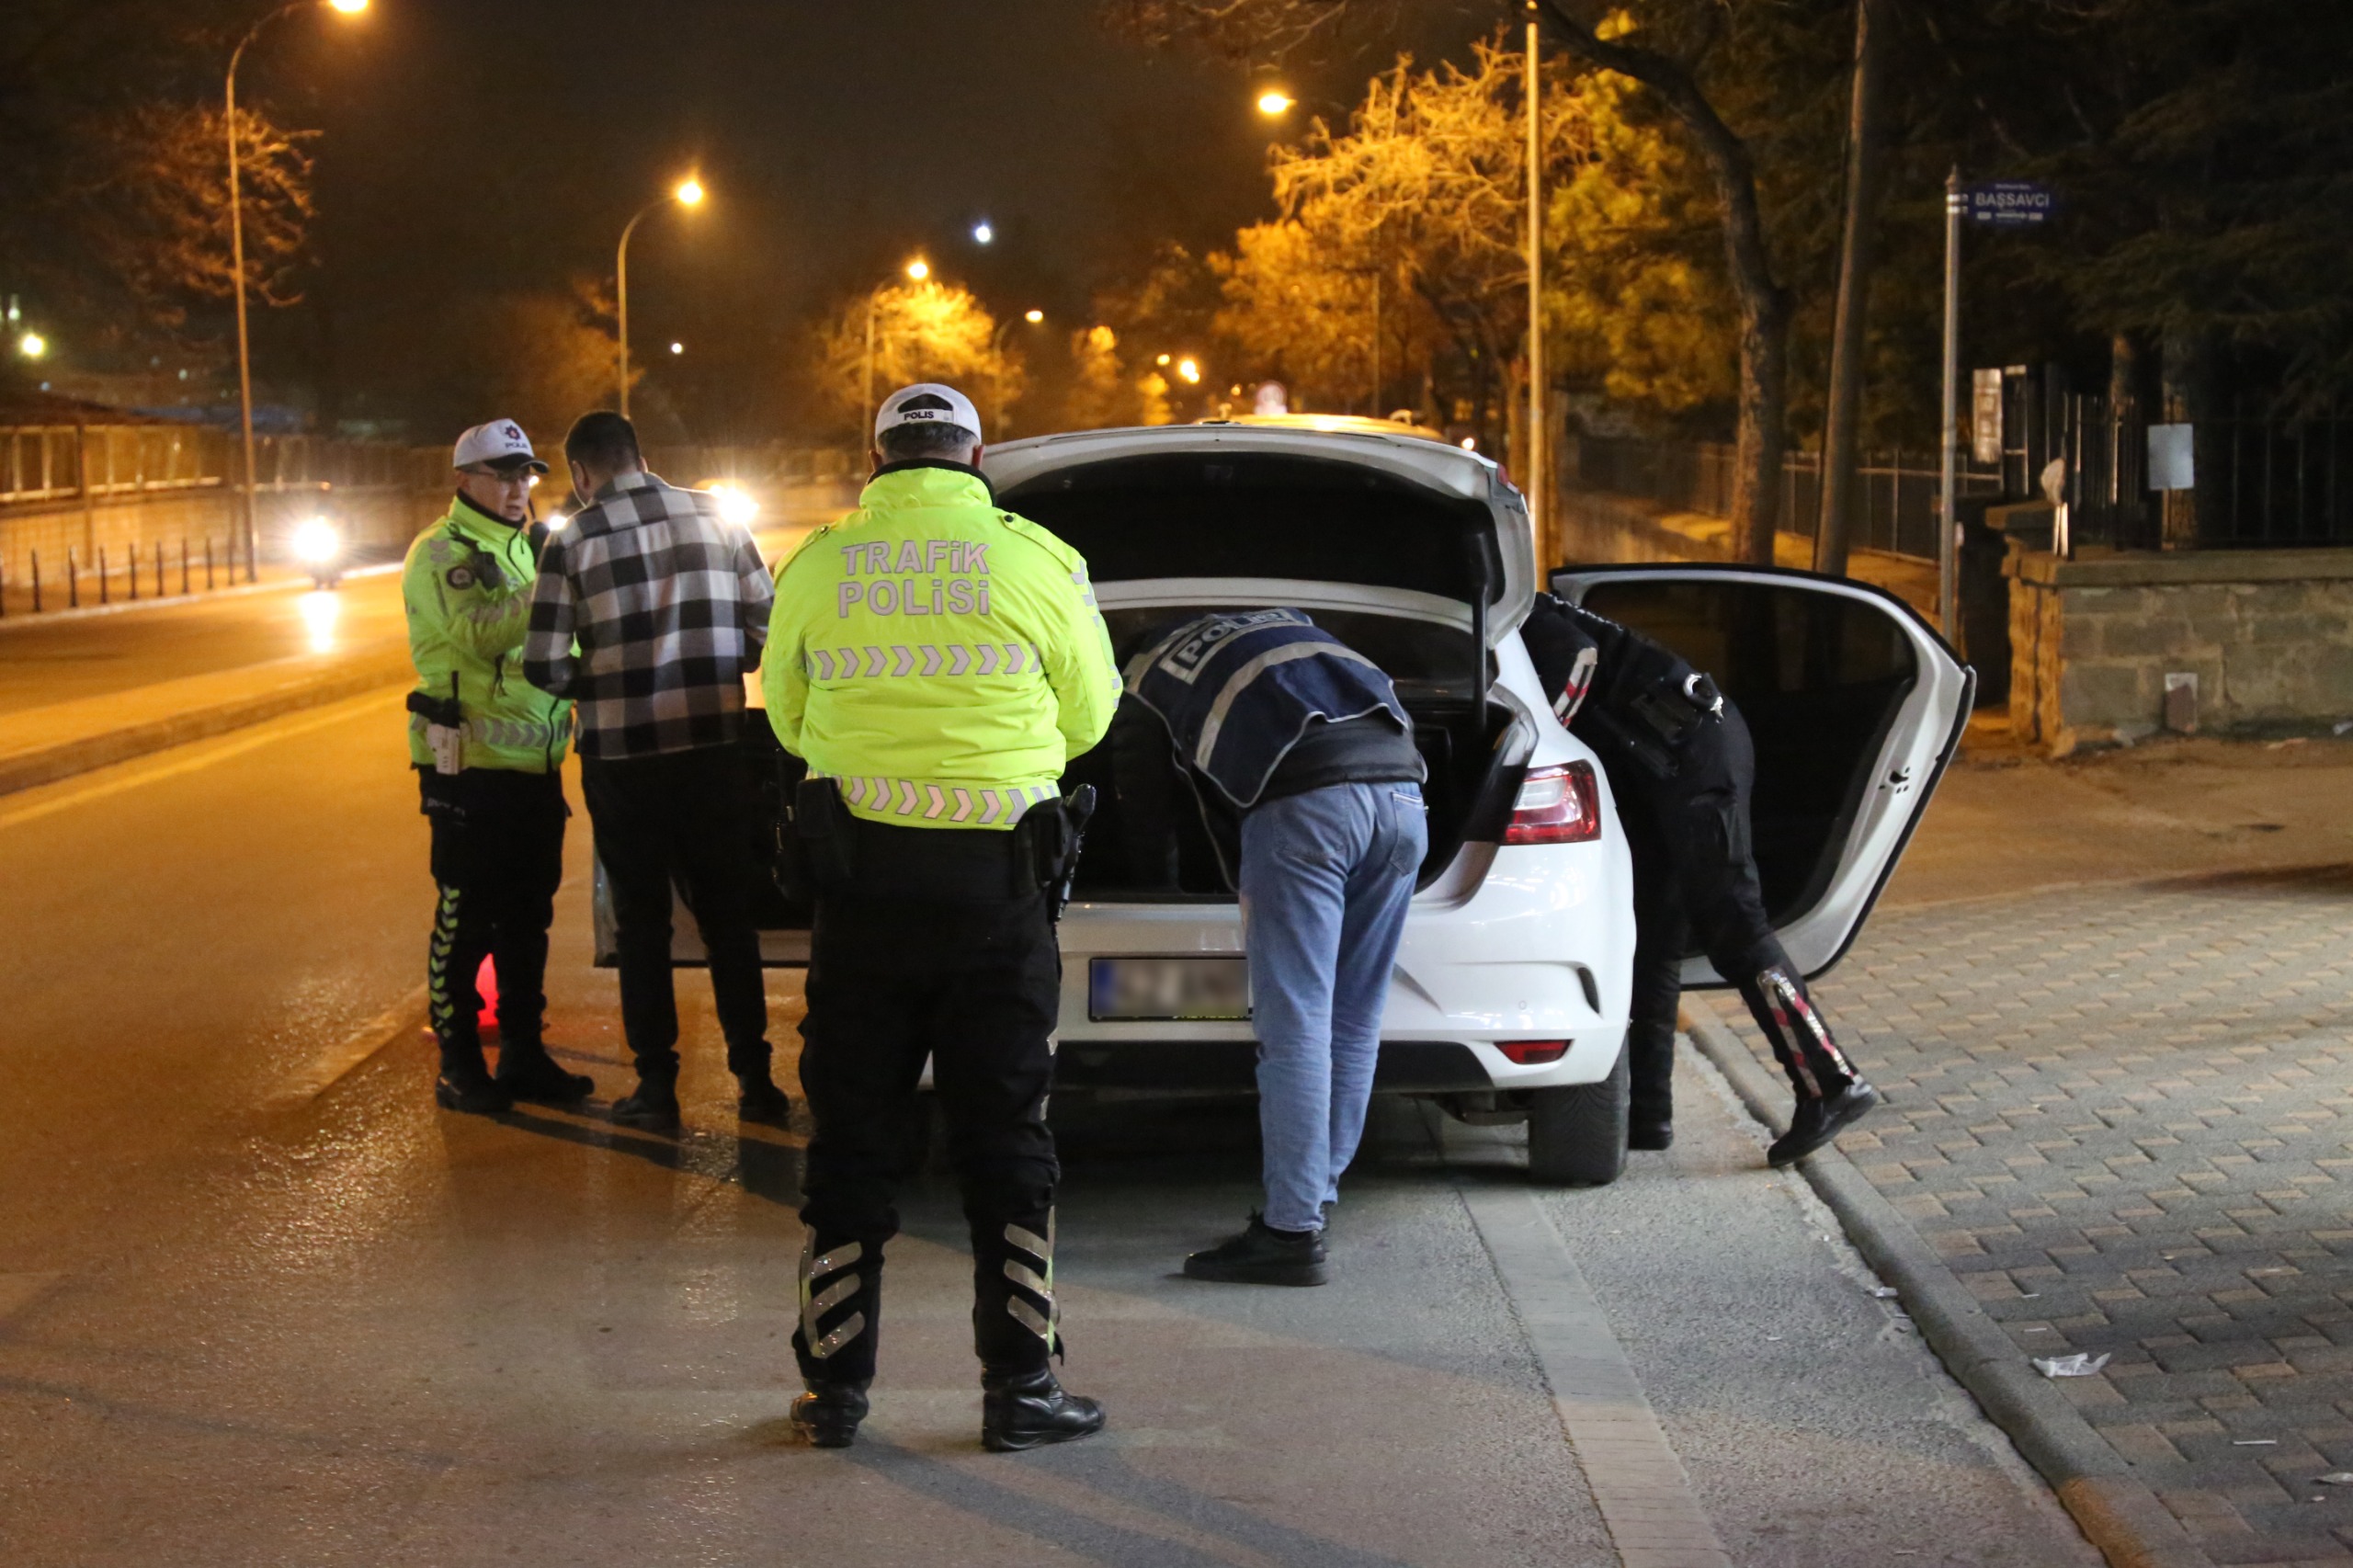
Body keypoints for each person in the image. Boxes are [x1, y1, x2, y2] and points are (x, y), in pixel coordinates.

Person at [762, 382, 1120, 1451]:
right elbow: (1093, 713)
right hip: (995, 898)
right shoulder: (1036, 558)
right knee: (1005, 1138)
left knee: (851, 1140)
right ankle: (1019, 1391)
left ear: (875, 456)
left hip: (861, 897)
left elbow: (786, 711)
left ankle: (833, 1393)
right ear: (974, 452)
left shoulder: (819, 561)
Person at [1120, 610, 1427, 1287]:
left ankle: (1290, 1233)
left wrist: (1171, 874)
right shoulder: (1292, 629)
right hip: (1406, 801)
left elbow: (1151, 795)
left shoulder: (1147, 675)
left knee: (1295, 1028)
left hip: (1311, 811)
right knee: (1353, 1018)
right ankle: (1313, 1199)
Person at [1518, 592, 1879, 1167]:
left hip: (1693, 752)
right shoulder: (1512, 603)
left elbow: (1577, 656)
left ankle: (1830, 1083)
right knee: (1652, 941)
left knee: (1733, 923)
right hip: (1663, 761)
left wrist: (1533, 743)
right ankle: (1647, 1116)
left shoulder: (1518, 610)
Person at [521, 412, 790, 1132]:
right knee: (729, 920)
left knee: (643, 927)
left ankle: (658, 1089)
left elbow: (544, 664)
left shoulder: (569, 541)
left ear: (580, 474)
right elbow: (768, 626)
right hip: (713, 751)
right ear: (642, 457)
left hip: (623, 762)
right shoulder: (717, 518)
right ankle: (757, 1082)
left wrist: (609, 680)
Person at [403, 419, 589, 1116]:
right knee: (466, 915)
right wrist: (546, 577)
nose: (518, 488)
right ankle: (458, 1063)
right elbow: (478, 635)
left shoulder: (520, 549)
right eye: (503, 475)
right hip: (469, 767)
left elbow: (545, 645)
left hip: (533, 764)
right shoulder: (442, 551)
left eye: (526, 476)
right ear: (464, 479)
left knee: (526, 917)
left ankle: (523, 1052)